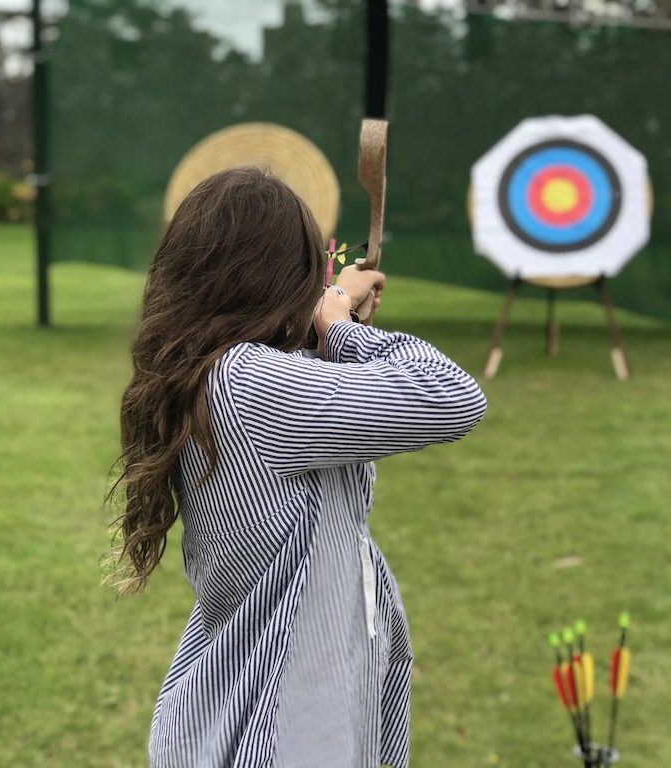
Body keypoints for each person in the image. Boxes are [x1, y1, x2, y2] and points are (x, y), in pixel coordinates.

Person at [105, 166, 487, 767]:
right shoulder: (247, 381)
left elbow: (312, 399)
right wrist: (340, 329)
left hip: (298, 707)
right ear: (279, 277)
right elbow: (450, 398)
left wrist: (334, 328)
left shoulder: (222, 372)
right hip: (286, 727)